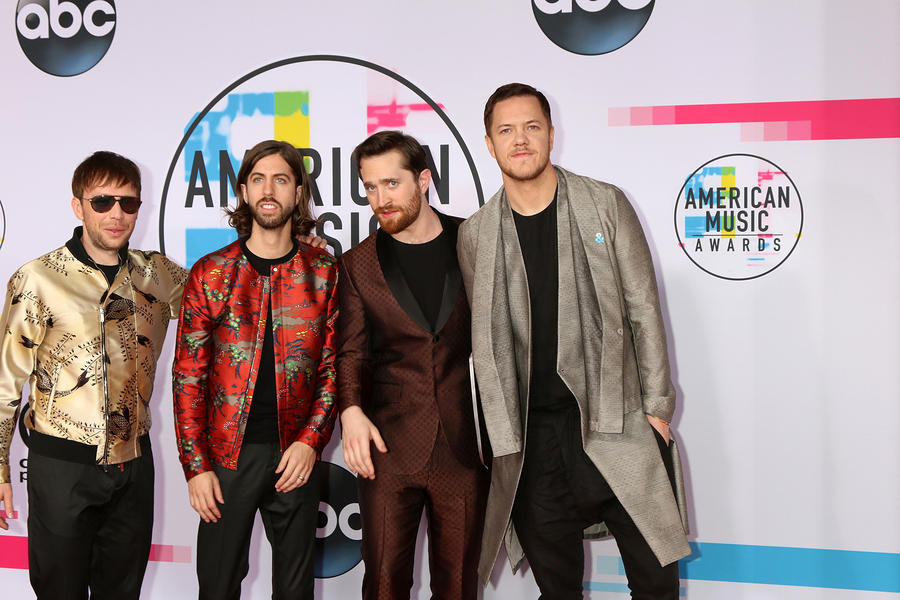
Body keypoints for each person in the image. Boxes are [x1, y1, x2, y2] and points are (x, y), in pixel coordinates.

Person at [457, 83, 691, 600]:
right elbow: (484, 343)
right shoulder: (476, 234)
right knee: (557, 591)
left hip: (618, 422)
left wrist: (656, 409)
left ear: (551, 135)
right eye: (507, 130)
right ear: (490, 145)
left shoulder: (605, 203)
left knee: (657, 585)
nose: (521, 140)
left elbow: (643, 309)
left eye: (532, 127)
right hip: (533, 443)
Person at [0, 151, 187, 599]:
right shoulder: (38, 278)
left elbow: (227, 288)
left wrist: (299, 252)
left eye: (129, 203)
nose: (117, 214)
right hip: (62, 469)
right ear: (78, 205)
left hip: (135, 468)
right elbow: (6, 383)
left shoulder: (157, 274)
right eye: (102, 201)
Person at [172, 140, 338, 600]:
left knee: (295, 590)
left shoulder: (323, 270)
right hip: (227, 460)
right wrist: (196, 465)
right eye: (259, 179)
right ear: (244, 191)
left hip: (295, 457)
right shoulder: (210, 273)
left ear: (298, 192)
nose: (269, 190)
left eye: (281, 179)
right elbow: (188, 376)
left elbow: (331, 368)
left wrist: (311, 442)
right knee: (219, 586)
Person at [335, 130, 489, 600]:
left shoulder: (474, 241)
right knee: (383, 585)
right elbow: (352, 351)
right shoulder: (356, 264)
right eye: (370, 187)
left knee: (459, 587)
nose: (380, 199)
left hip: (465, 446)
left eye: (392, 183)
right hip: (388, 448)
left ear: (423, 180)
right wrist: (350, 410)